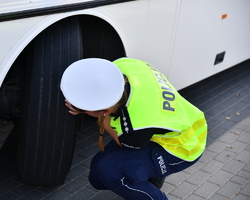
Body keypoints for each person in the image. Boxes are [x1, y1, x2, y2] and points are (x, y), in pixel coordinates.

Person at [60, 58, 207, 200]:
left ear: (104, 112)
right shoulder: (122, 65)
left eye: (83, 108)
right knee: (97, 176)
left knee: (108, 171)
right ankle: (150, 176)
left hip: (184, 145)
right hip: (170, 125)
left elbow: (123, 142)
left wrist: (102, 121)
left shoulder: (135, 124)